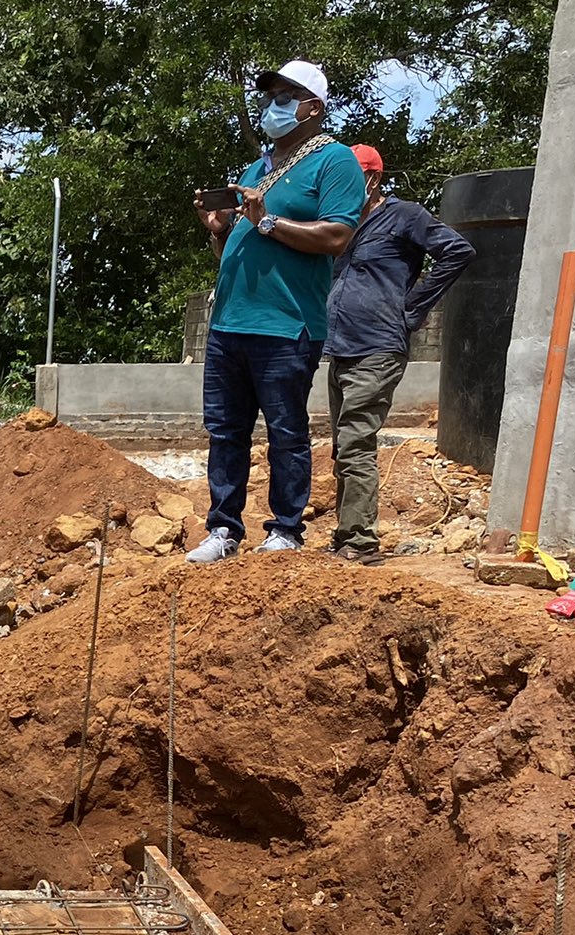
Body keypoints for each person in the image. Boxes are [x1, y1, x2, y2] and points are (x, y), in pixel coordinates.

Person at [186, 61, 365, 564]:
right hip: (228, 326)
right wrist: (220, 229)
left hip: (287, 327)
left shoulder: (335, 162)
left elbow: (336, 236)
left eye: (287, 95)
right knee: (225, 432)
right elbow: (235, 254)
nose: (274, 105)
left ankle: (285, 528)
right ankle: (224, 528)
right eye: (271, 95)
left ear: (313, 107)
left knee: (286, 432)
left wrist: (266, 221)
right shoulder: (257, 168)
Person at [323, 143, 475, 563]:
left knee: (355, 441)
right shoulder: (341, 224)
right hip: (342, 349)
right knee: (342, 444)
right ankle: (346, 533)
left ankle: (360, 541)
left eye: (348, 178)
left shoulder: (404, 215)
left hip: (378, 347)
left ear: (371, 179)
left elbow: (457, 251)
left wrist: (412, 307)